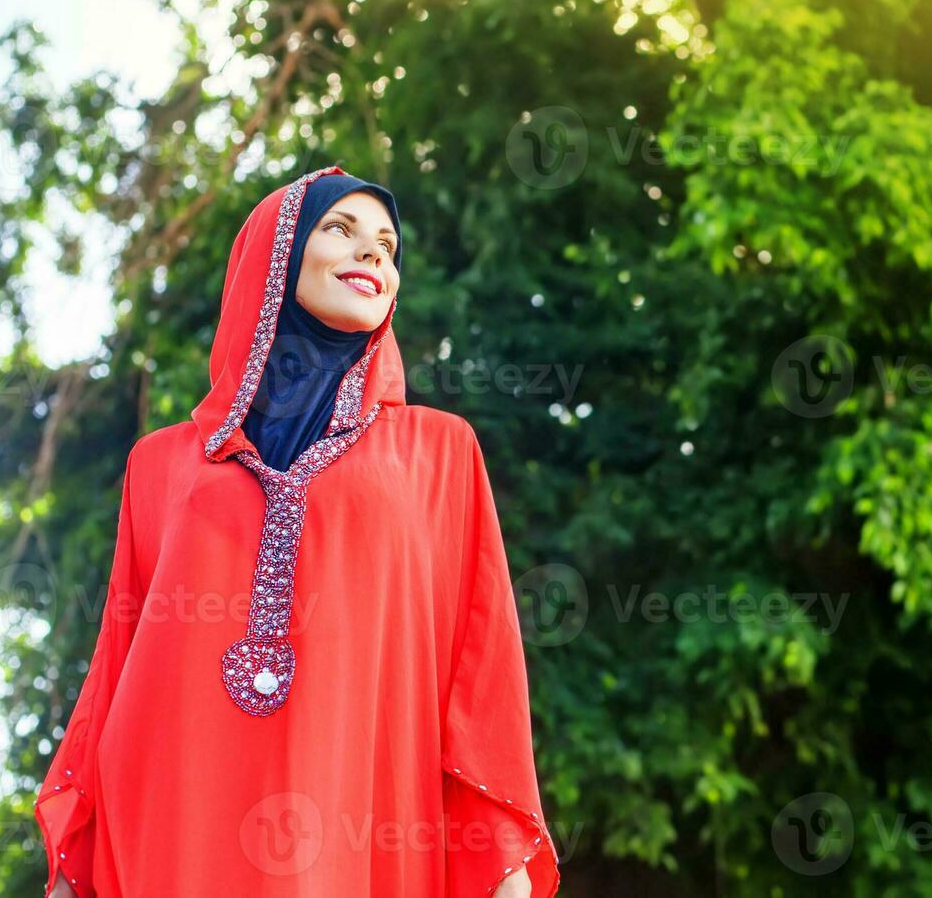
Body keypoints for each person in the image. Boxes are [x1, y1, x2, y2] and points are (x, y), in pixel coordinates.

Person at [34, 167, 560, 898]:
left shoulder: (440, 454)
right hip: (175, 824)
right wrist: (77, 859)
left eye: (387, 245)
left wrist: (502, 851)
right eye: (340, 229)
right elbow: (118, 660)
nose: (373, 253)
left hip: (366, 826)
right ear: (274, 255)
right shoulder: (160, 464)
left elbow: (482, 663)